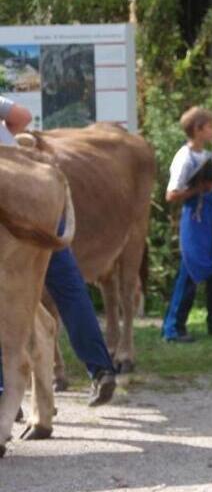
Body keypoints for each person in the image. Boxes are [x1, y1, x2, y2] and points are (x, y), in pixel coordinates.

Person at [0, 96, 117, 407]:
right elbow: (22, 116)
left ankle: (7, 396)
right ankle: (99, 367)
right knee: (67, 286)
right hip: (33, 183)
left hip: (6, 191)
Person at [161, 106, 212, 342]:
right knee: (190, 271)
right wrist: (197, 189)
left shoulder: (208, 156)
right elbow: (171, 195)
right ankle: (173, 327)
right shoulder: (184, 158)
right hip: (195, 221)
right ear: (197, 129)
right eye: (209, 127)